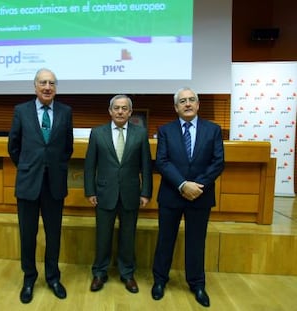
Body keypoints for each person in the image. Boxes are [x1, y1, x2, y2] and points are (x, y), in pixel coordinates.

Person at [151, 87, 224, 307]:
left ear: (198, 104)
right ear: (176, 107)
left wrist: (196, 185)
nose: (188, 104)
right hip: (172, 194)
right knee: (165, 239)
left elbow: (218, 162)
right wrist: (183, 185)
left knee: (196, 241)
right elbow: (162, 161)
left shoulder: (213, 129)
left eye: (192, 100)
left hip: (200, 195)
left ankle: (197, 283)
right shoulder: (165, 130)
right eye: (183, 101)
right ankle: (160, 280)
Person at [8, 68, 74, 304]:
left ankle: (53, 277)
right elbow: (13, 146)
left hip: (54, 184)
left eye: (52, 83)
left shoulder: (66, 111)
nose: (48, 87)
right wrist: (28, 166)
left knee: (53, 234)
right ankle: (29, 278)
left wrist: (52, 166)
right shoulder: (21, 111)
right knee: (28, 234)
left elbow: (67, 147)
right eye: (43, 83)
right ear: (35, 86)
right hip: (28, 183)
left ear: (56, 87)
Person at [84, 94, 153, 294]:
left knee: (128, 237)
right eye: (117, 108)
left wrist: (146, 192)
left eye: (125, 108)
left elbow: (146, 166)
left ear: (130, 112)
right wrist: (90, 191)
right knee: (102, 236)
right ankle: (99, 273)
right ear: (110, 111)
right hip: (104, 193)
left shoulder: (140, 134)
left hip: (131, 194)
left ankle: (127, 274)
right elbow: (90, 165)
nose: (120, 111)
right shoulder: (97, 133)